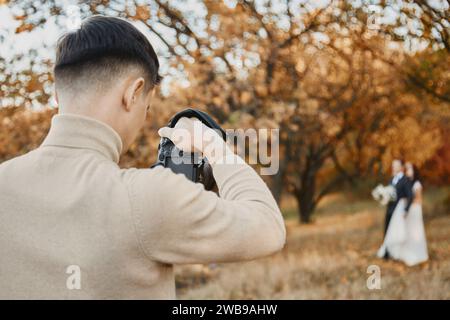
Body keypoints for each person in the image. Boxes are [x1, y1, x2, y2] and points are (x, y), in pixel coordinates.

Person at [0, 15, 286, 299]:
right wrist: (215, 148)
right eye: (146, 109)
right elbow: (267, 228)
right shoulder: (145, 196)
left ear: (57, 96)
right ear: (133, 93)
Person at [377, 159, 413, 259]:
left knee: (397, 232)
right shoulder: (392, 179)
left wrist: (406, 209)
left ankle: (398, 252)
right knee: (387, 230)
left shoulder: (405, 180)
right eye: (393, 165)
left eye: (396, 165)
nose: (393, 167)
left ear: (401, 167)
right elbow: (389, 193)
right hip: (389, 209)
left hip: (398, 210)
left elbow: (410, 195)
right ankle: (387, 252)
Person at [397, 163, 428, 266]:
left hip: (415, 210)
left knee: (416, 232)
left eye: (410, 168)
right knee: (409, 232)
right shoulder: (407, 183)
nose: (408, 171)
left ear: (414, 170)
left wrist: (408, 202)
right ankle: (409, 255)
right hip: (409, 210)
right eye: (407, 169)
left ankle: (419, 256)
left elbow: (419, 200)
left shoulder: (417, 184)